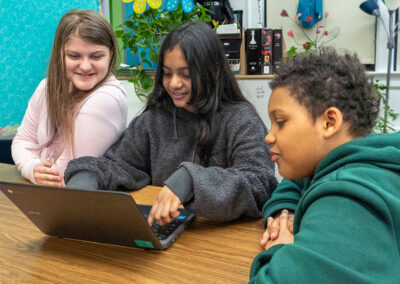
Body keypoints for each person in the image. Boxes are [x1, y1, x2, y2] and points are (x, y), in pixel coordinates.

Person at [64, 21, 277, 225]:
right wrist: (87, 176)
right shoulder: (154, 120)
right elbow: (119, 164)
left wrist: (190, 181)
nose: (174, 83)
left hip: (220, 243)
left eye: (186, 74)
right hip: (166, 233)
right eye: (167, 74)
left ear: (214, 71)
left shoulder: (241, 120)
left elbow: (258, 183)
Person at [249, 49, 400, 283]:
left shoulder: (348, 200)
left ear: (329, 122)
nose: (269, 136)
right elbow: (295, 181)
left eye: (280, 122)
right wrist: (284, 213)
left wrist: (279, 249)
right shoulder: (354, 159)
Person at [12, 9, 127, 187]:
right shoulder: (46, 87)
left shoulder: (107, 99)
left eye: (96, 56)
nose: (85, 66)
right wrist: (31, 166)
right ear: (60, 53)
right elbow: (23, 140)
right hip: (45, 195)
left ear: (110, 54)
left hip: (79, 202)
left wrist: (37, 169)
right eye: (74, 56)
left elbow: (67, 175)